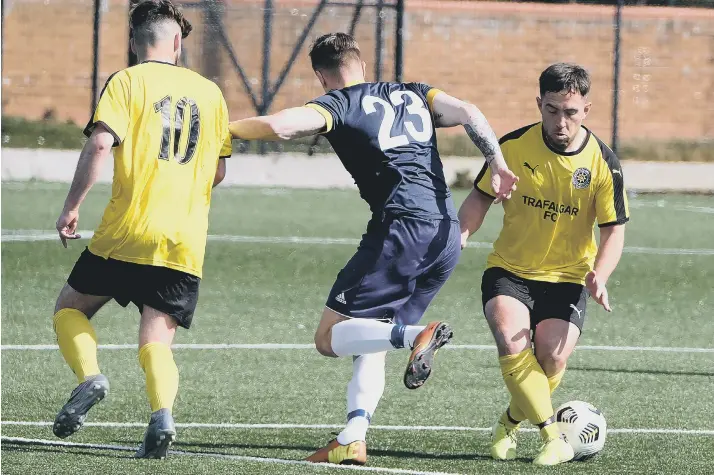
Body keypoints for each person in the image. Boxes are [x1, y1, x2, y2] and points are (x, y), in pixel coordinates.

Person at [228, 32, 518, 466]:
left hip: (400, 232)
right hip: (445, 235)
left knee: (329, 339)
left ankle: (415, 335)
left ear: (322, 77)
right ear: (362, 64)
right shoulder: (415, 92)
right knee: (370, 339)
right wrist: (497, 163)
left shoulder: (338, 103)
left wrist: (221, 129)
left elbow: (278, 127)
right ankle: (353, 436)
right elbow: (470, 112)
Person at [51, 0, 232, 459]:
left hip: (126, 230)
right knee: (156, 340)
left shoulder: (127, 81)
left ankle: (91, 377)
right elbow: (218, 173)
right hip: (184, 240)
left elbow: (100, 141)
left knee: (70, 308)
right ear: (177, 42)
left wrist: (72, 206)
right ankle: (162, 415)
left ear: (134, 43)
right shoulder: (211, 93)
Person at [459, 63, 629, 466]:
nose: (560, 121)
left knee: (552, 358)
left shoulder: (604, 163)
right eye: (552, 110)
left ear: (586, 110)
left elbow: (613, 230)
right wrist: (459, 237)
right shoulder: (512, 148)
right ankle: (554, 438)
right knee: (511, 340)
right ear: (539, 104)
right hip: (510, 270)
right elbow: (481, 197)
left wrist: (600, 276)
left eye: (570, 112)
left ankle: (509, 422)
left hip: (569, 277)